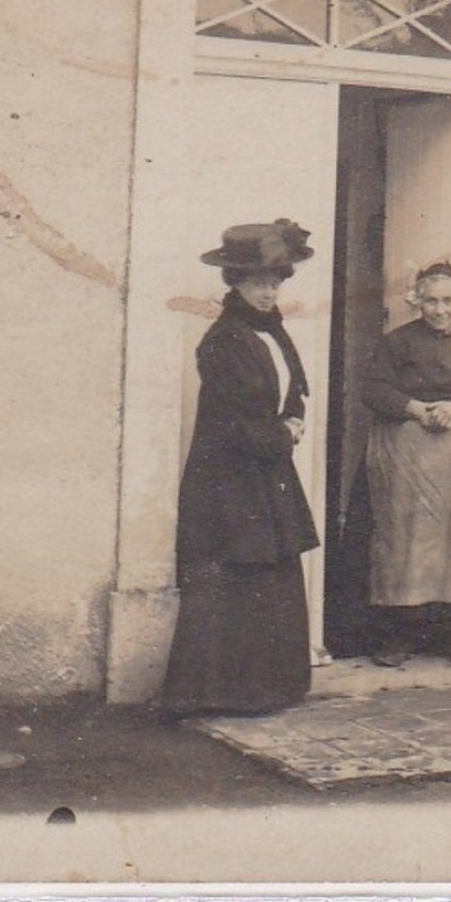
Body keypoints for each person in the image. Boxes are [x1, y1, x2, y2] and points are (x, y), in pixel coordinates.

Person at [161, 220, 319, 718]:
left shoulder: (273, 333)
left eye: (274, 282)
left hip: (264, 472)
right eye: (257, 283)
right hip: (227, 478)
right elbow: (233, 423)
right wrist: (283, 435)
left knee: (271, 575)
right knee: (233, 577)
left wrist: (294, 416)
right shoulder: (222, 341)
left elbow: (293, 389)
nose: (268, 292)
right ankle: (218, 693)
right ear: (235, 282)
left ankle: (270, 687)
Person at [363, 262, 451, 669]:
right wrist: (414, 407)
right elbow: (372, 389)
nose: (439, 310)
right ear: (417, 302)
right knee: (404, 543)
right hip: (406, 454)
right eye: (430, 301)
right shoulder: (396, 343)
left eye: (448, 301)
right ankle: (397, 637)